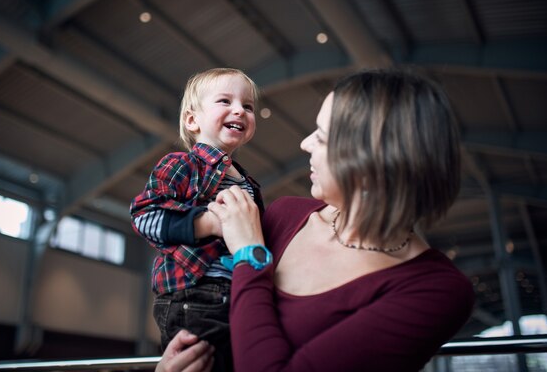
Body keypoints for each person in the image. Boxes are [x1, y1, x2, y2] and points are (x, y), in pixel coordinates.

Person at [158, 68, 475, 371]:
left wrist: (249, 253)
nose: (305, 143)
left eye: (322, 136)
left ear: (371, 158)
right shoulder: (283, 215)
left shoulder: (434, 290)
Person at [130, 68, 263, 372]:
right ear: (193, 120)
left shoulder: (247, 183)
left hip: (238, 291)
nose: (239, 110)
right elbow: (144, 215)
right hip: (195, 293)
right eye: (224, 101)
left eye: (248, 106)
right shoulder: (184, 164)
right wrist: (209, 224)